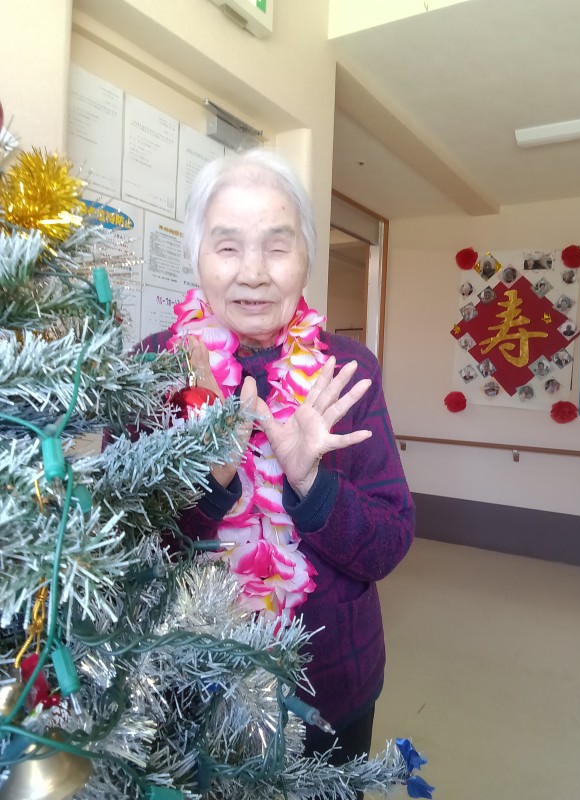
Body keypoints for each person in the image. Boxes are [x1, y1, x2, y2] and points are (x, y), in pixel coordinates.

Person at [139, 149, 415, 771]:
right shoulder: (153, 367)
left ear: (306, 259)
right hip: (185, 678)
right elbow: (123, 550)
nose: (254, 273)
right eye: (228, 246)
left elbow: (389, 542)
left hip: (330, 682)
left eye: (277, 246)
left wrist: (310, 482)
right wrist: (209, 479)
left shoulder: (348, 372)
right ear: (197, 256)